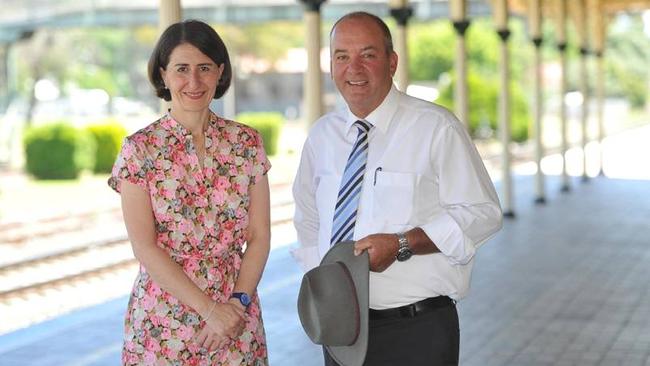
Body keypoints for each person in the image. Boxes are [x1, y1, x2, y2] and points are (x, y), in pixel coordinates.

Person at [292, 11, 503, 365]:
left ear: (392, 62)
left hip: (417, 331)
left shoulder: (436, 128)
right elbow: (308, 219)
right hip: (343, 333)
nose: (353, 68)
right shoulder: (321, 136)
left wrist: (403, 243)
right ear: (331, 66)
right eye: (342, 56)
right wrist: (330, 288)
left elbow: (483, 214)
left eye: (368, 55)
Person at [108, 20, 271, 365]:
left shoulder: (247, 143)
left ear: (220, 72)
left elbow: (259, 235)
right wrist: (210, 310)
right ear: (164, 75)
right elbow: (144, 247)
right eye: (182, 69)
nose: (193, 82)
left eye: (204, 68)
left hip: (236, 315)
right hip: (163, 321)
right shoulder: (140, 149)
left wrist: (236, 305)